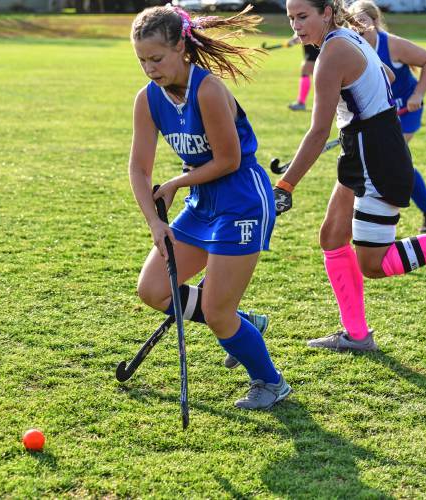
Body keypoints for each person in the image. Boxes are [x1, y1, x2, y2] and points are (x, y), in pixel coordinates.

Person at [274, 0, 426, 351]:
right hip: (363, 147)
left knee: (373, 263)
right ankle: (356, 334)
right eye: (291, 17)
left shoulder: (332, 53)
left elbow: (318, 131)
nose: (295, 25)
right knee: (332, 237)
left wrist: (285, 185)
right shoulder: (350, 37)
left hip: (376, 154)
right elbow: (386, 73)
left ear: (326, 12)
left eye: (303, 16)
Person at [129, 5, 291, 409]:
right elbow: (138, 166)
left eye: (157, 58)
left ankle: (270, 383)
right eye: (142, 60)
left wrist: (177, 183)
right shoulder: (148, 99)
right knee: (152, 289)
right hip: (202, 203)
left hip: (243, 200)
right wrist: (154, 222)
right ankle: (244, 325)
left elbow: (228, 160)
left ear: (181, 47)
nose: (150, 68)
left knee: (218, 311)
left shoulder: (209, 90)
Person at [349, 0, 426, 233]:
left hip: (406, 109)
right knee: (394, 162)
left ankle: (425, 212)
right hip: (379, 113)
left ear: (375, 21)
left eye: (363, 19)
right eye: (353, 21)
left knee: (393, 160)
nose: (358, 25)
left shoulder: (392, 45)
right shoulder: (352, 46)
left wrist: (418, 94)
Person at [287, 35, 320, 112]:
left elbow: (306, 32)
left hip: (314, 47)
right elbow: (299, 32)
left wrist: (293, 41)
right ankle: (301, 102)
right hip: (310, 48)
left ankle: (301, 102)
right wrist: (292, 40)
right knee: (307, 70)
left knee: (307, 69)